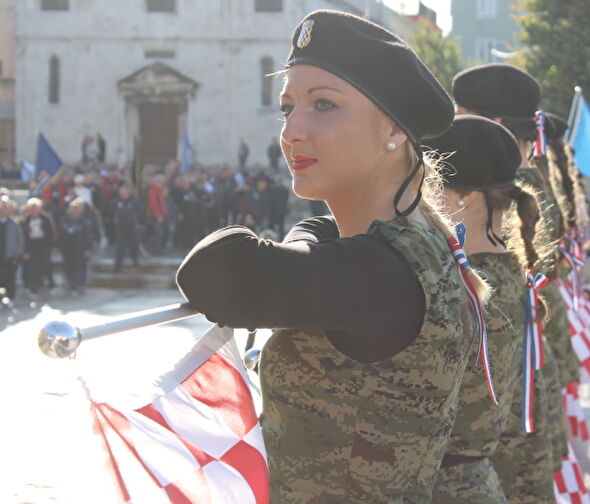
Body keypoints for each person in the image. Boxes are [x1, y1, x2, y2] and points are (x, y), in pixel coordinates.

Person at [177, 10, 489, 503]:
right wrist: (310, 240)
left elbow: (213, 270)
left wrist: (302, 244)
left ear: (394, 131)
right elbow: (318, 234)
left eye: (324, 105)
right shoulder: (421, 241)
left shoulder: (375, 273)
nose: (292, 131)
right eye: (287, 108)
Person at [453, 63, 575, 497]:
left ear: (495, 125)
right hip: (519, 386)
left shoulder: (499, 185)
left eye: (462, 113)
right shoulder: (519, 179)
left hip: (506, 408)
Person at [426, 116, 544, 502]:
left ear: (466, 196)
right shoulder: (506, 269)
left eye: (430, 185)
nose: (422, 198)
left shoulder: (468, 286)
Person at [21, 198, 56, 299]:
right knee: (33, 268)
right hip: (32, 246)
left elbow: (51, 232)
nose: (34, 211)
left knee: (47, 266)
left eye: (35, 208)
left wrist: (51, 245)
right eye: (31, 208)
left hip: (44, 246)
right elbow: (24, 236)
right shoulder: (25, 220)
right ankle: (33, 289)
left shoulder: (45, 218)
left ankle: (51, 285)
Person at [59, 198, 94, 296]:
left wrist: (88, 249)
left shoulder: (84, 222)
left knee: (80, 268)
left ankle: (79, 285)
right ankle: (71, 286)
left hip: (80, 250)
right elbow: (60, 235)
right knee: (68, 268)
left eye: (76, 209)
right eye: (72, 208)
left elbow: (88, 236)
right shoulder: (64, 221)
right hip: (67, 250)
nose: (74, 211)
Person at [0, 196, 24, 308]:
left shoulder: (14, 224)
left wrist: (17, 254)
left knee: (10, 279)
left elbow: (20, 240)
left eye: (5, 208)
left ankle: (11, 298)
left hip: (9, 257)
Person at [111, 185, 140, 272]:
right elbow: (111, 211)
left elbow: (140, 211)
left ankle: (135, 262)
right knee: (120, 247)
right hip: (120, 228)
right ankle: (117, 267)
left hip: (132, 227)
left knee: (134, 246)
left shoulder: (134, 201)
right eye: (121, 193)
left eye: (125, 193)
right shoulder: (116, 201)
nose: (123, 195)